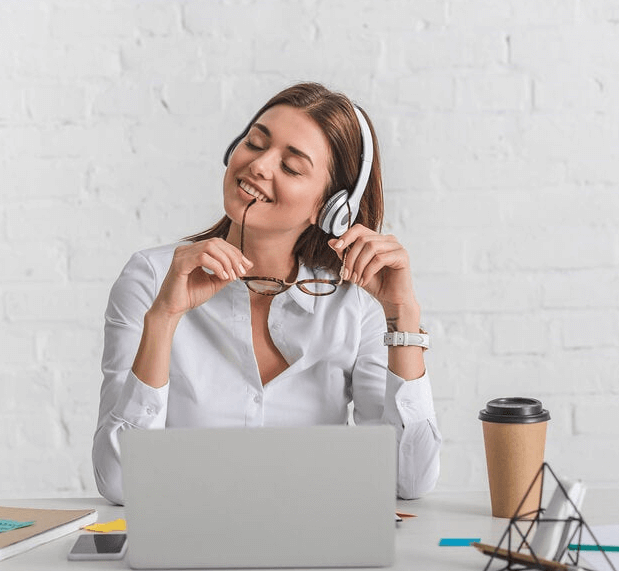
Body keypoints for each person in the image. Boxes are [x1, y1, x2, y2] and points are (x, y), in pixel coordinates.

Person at [92, 82, 441, 505]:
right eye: (255, 143)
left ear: (332, 207)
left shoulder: (354, 305)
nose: (259, 165)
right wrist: (164, 318)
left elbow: (410, 480)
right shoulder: (151, 278)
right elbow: (118, 483)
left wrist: (401, 314)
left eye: (291, 167)